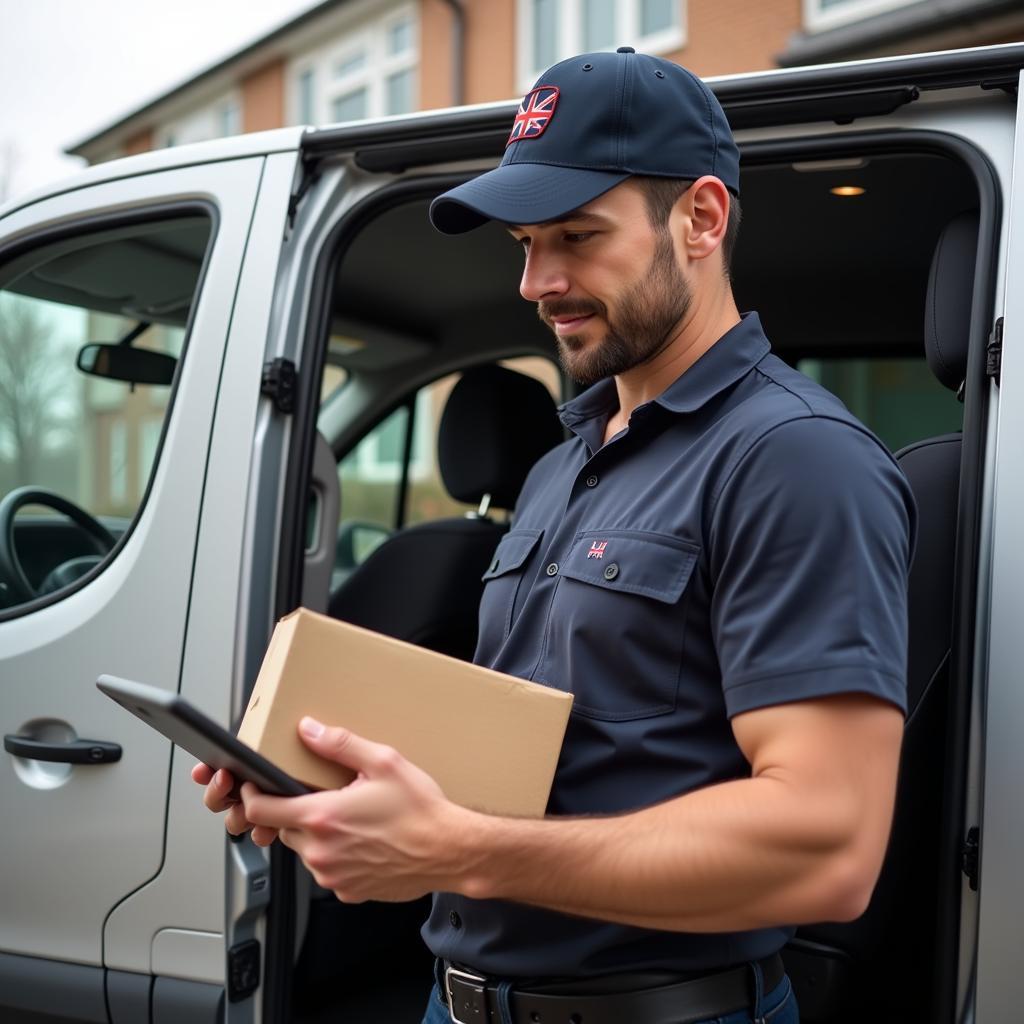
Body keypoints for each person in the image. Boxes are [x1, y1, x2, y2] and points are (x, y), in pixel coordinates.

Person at [194, 47, 916, 1024]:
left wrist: (452, 847)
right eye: (526, 242)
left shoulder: (796, 458)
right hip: (455, 1001)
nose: (538, 281)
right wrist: (326, 780)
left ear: (700, 218)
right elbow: (545, 760)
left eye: (577, 235)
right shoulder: (560, 463)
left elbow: (827, 846)